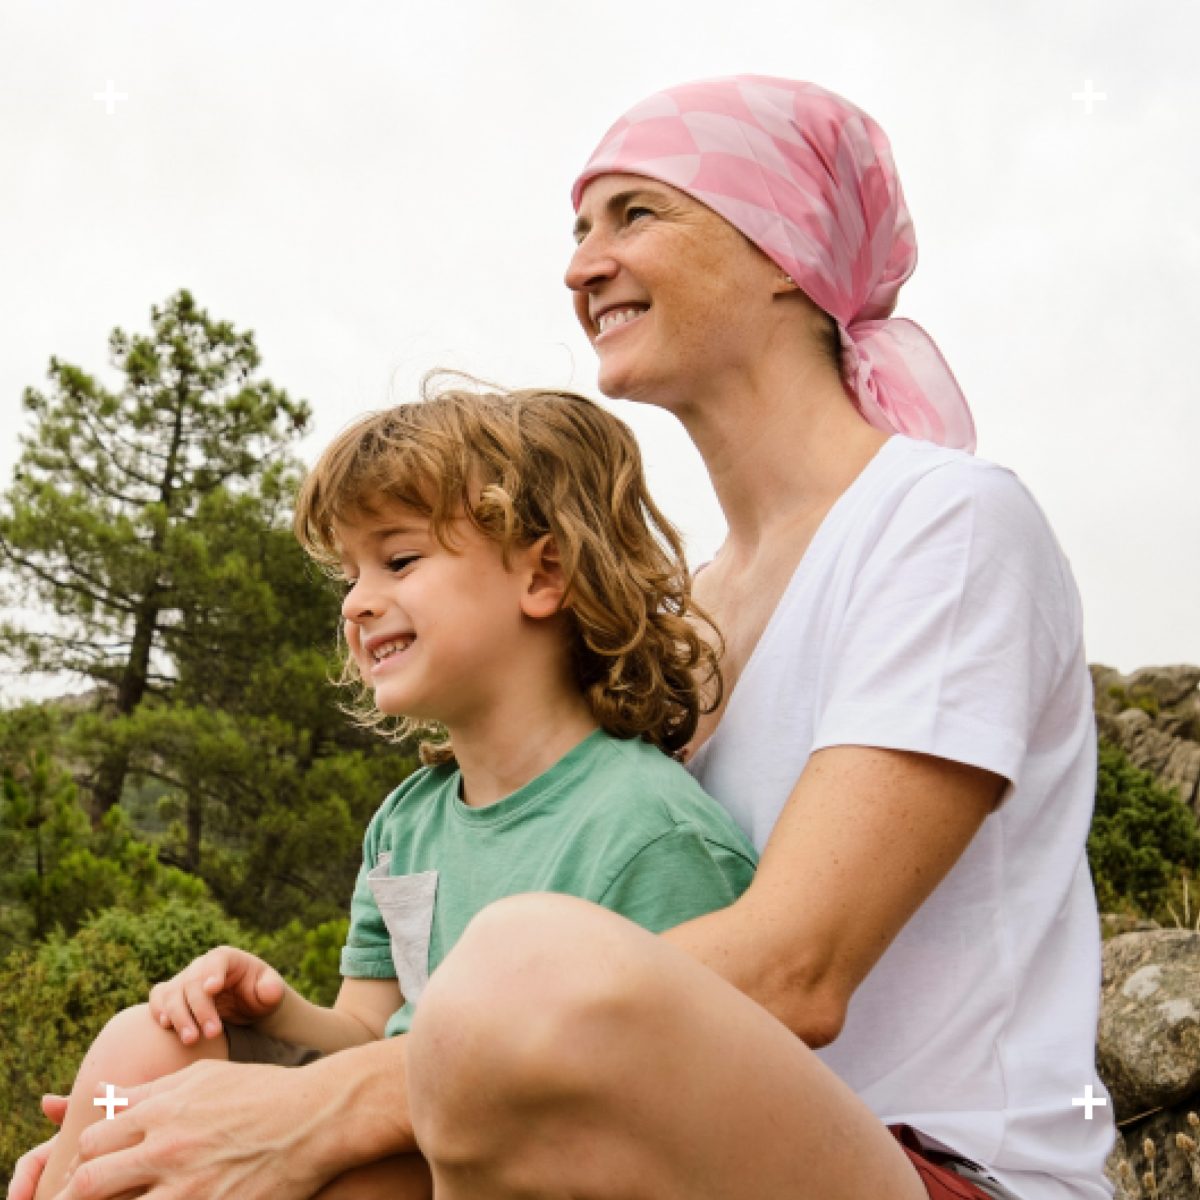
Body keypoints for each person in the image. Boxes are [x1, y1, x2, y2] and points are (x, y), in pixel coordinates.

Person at [13, 76, 1117, 1200]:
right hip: (642, 1140)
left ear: (789, 252)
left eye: (636, 213)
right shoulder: (689, 611)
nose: (583, 263)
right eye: (580, 227)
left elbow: (796, 971)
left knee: (518, 956)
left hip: (934, 1169)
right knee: (160, 1064)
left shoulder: (946, 524)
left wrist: (316, 1104)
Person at [23, 382, 757, 1200]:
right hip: (390, 1111)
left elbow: (686, 1110)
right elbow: (368, 1033)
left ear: (544, 574)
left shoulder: (650, 833)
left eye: (399, 559)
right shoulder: (407, 822)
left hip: (516, 1162)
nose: (356, 602)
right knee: (143, 1049)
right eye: (349, 574)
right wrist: (275, 1012)